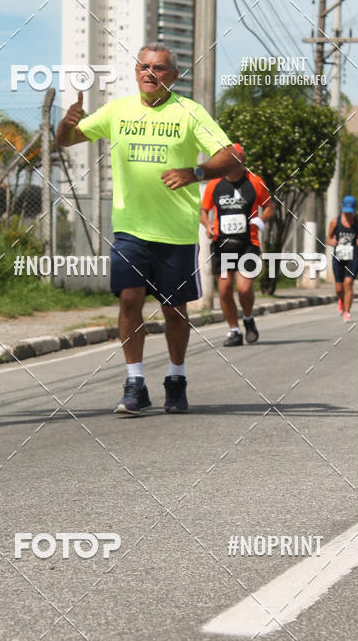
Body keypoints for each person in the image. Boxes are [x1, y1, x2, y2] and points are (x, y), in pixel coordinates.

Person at [56, 43, 237, 415]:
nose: (150, 73)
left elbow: (233, 154)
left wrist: (196, 173)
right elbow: (66, 140)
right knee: (128, 299)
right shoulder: (117, 110)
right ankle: (135, 383)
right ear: (136, 71)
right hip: (130, 229)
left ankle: (176, 378)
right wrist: (66, 121)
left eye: (159, 68)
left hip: (176, 233)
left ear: (173, 75)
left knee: (173, 310)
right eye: (143, 66)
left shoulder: (190, 112)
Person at [200, 143, 274, 345]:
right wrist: (207, 226)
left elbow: (269, 207)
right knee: (224, 290)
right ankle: (234, 330)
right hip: (222, 244)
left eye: (238, 160)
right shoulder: (214, 184)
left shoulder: (255, 181)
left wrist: (261, 220)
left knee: (243, 288)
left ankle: (248, 319)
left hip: (248, 244)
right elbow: (203, 210)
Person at [326, 195, 358, 322]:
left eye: (351, 213)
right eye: (346, 212)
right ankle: (341, 301)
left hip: (353, 257)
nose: (348, 216)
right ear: (342, 208)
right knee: (339, 288)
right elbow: (328, 238)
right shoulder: (334, 222)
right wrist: (331, 242)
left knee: (348, 283)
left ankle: (347, 312)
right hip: (339, 257)